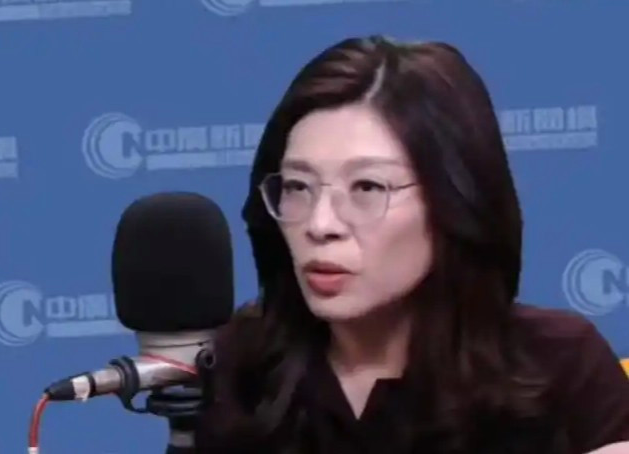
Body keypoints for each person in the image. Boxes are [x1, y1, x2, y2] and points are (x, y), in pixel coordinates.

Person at [194, 35, 629, 453]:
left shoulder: (562, 368)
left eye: (367, 187)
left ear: (452, 198)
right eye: (297, 186)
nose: (320, 224)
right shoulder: (240, 369)